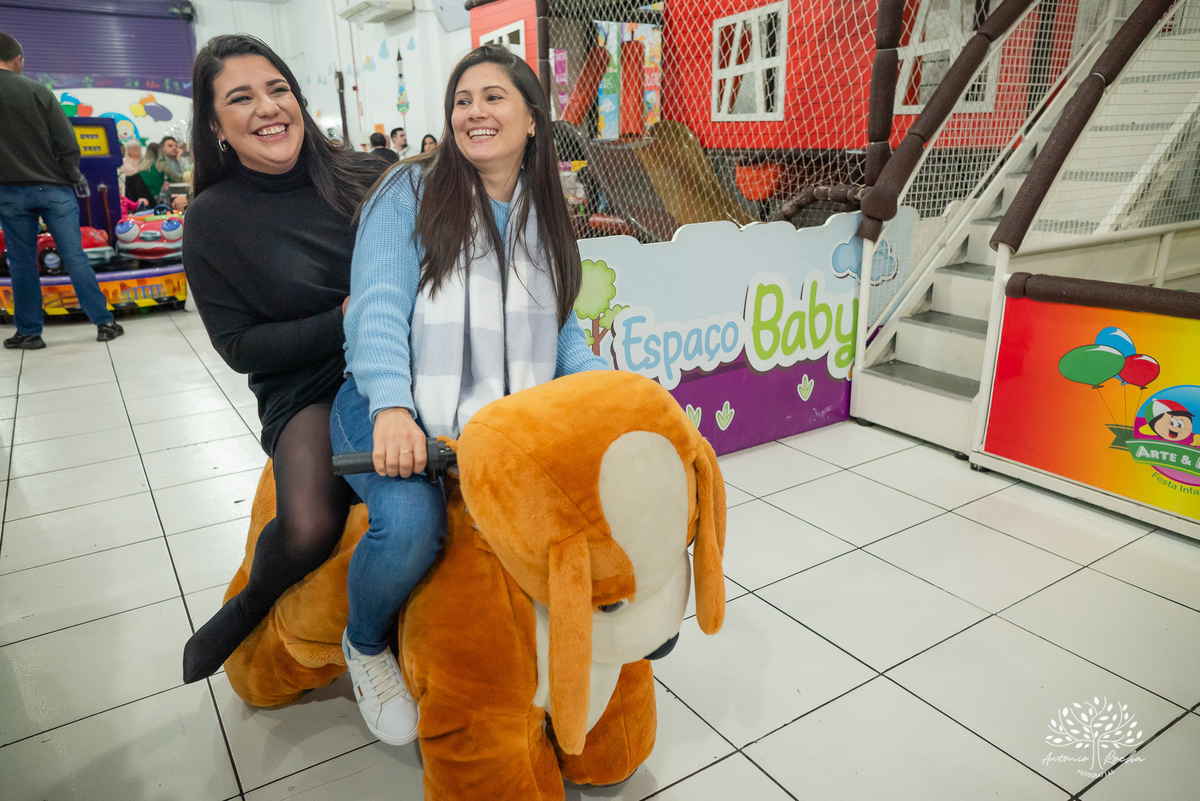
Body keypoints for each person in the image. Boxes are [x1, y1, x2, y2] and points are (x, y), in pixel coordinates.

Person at [333, 43, 606, 745]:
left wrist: (602, 396)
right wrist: (393, 407)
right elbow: (380, 307)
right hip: (385, 400)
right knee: (413, 528)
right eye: (462, 99)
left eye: (493, 97)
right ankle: (364, 644)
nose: (474, 111)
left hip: (495, 419)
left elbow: (563, 322)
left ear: (533, 120)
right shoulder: (409, 191)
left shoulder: (545, 207)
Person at [180, 34, 383, 684]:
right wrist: (339, 322)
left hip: (400, 356)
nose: (268, 108)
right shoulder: (212, 219)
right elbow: (238, 346)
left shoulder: (363, 173)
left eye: (278, 89)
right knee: (309, 525)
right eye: (241, 98)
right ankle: (253, 603)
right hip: (307, 382)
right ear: (214, 124)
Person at [0, 32, 124, 348]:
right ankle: (104, 323)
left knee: (21, 262)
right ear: (18, 60)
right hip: (53, 189)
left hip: (9, 193)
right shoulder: (38, 91)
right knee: (74, 256)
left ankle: (29, 332)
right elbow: (68, 143)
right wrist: (69, 176)